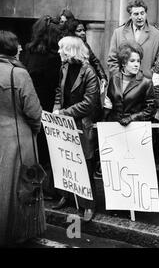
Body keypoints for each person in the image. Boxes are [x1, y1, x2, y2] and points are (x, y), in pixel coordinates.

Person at [0, 31, 45, 246]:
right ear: (10, 48)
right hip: (19, 137)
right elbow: (34, 112)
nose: (20, 48)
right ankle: (19, 231)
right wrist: (35, 130)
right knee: (24, 185)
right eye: (17, 45)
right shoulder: (19, 74)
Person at [51, 36, 101, 222]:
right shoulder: (64, 68)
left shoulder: (89, 72)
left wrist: (63, 113)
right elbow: (59, 91)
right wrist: (57, 108)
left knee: (85, 165)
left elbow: (89, 104)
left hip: (82, 125)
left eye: (61, 48)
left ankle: (88, 204)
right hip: (65, 123)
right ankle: (67, 196)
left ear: (71, 50)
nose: (58, 52)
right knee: (66, 161)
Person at [20, 15, 63, 199]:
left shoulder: (27, 53)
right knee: (45, 149)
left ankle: (29, 186)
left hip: (26, 106)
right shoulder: (55, 58)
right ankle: (45, 188)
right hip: (46, 108)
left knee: (31, 149)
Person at [107, 0, 159, 79]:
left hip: (147, 83)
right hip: (124, 82)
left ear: (146, 14)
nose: (140, 17)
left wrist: (149, 77)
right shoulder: (118, 33)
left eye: (142, 13)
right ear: (130, 16)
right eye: (136, 14)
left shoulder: (158, 35)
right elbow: (112, 60)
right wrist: (120, 78)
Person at [103, 41, 156, 124]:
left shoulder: (146, 82)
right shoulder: (114, 79)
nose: (136, 65)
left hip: (135, 128)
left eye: (138, 61)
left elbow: (150, 110)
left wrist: (131, 118)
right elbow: (108, 104)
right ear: (124, 63)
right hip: (114, 126)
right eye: (132, 61)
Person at [67, 19, 108, 93]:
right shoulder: (65, 47)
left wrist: (102, 77)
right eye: (79, 31)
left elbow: (95, 62)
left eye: (83, 30)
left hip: (83, 83)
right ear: (72, 32)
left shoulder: (85, 46)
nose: (83, 33)